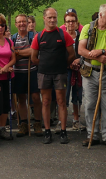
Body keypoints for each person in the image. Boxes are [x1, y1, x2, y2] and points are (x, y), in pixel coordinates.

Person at [77, 4, 106, 147]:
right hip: (89, 72)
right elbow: (81, 50)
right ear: (100, 15)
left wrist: (101, 52)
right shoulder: (88, 28)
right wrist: (94, 55)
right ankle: (93, 135)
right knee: (90, 104)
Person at [31, 8, 76, 144]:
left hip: (60, 74)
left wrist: (63, 65)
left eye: (54, 17)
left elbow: (72, 54)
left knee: (61, 102)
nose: (52, 20)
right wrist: (45, 65)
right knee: (45, 101)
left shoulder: (63, 34)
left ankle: (63, 131)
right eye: (49, 17)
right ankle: (47, 131)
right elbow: (34, 58)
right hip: (44, 74)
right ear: (44, 18)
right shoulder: (39, 36)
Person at [12, 14, 42, 137]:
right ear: (16, 24)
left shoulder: (33, 36)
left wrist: (18, 52)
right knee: (21, 98)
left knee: (35, 97)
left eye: (24, 21)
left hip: (32, 70)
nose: (22, 24)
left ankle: (38, 123)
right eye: (19, 22)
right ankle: (23, 124)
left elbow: (33, 51)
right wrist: (25, 53)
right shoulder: (13, 38)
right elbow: (11, 54)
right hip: (18, 72)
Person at [62, 10, 84, 131]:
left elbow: (85, 51)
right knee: (64, 95)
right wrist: (69, 63)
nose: (70, 24)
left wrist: (79, 61)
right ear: (65, 23)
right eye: (68, 21)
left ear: (76, 23)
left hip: (79, 70)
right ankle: (62, 120)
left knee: (77, 95)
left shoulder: (81, 37)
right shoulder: (61, 36)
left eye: (73, 21)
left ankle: (76, 120)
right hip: (65, 70)